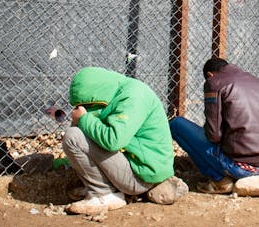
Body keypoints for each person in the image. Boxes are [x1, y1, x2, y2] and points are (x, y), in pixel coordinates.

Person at [62, 67, 185, 215]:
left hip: (142, 177)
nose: (85, 108)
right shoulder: (118, 92)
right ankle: (102, 187)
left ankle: (103, 195)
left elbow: (113, 140)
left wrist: (84, 118)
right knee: (82, 131)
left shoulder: (133, 97)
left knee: (73, 136)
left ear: (95, 95)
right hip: (140, 167)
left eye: (87, 104)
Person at [169, 57, 259, 194]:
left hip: (238, 166)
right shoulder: (256, 81)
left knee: (177, 124)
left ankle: (219, 179)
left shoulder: (214, 82)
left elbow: (214, 135)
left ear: (210, 75)